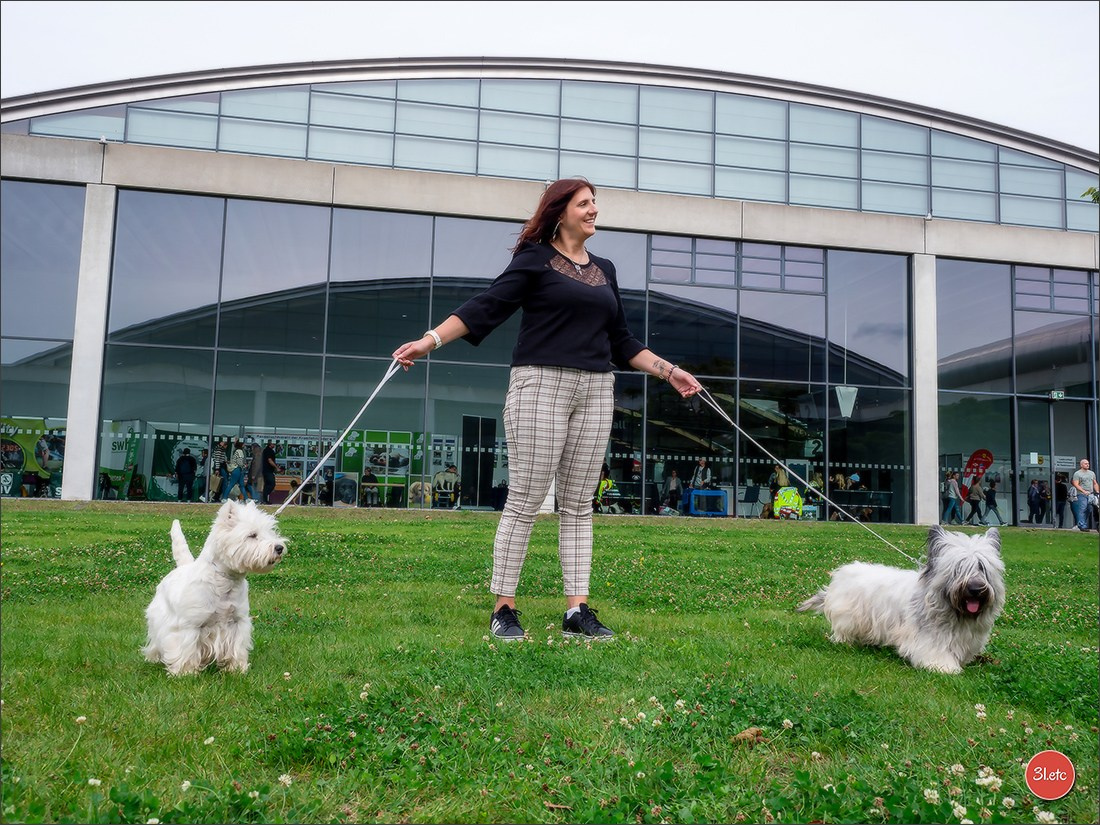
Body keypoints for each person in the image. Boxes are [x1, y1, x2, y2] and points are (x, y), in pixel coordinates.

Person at [392, 177, 702, 643]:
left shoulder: (606, 269)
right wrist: (428, 341)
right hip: (540, 385)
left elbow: (621, 340)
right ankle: (504, 609)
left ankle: (577, 610)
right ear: (561, 212)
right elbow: (486, 307)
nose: (594, 210)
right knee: (526, 499)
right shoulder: (535, 259)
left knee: (578, 505)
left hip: (597, 390)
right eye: (585, 203)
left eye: (595, 202)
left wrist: (668, 370)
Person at [1070, 458, 1098, 532]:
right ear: (1081, 465)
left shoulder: (1092, 473)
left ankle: (1081, 523)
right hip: (1081, 494)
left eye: (1088, 463)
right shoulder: (1077, 473)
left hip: (1091, 494)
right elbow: (1076, 484)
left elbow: (1095, 483)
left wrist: (1097, 492)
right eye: (1086, 463)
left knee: (1089, 509)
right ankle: (1082, 525)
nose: (1087, 465)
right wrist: (1083, 491)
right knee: (1082, 509)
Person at [210, 438, 229, 503]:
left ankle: (216, 497)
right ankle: (223, 497)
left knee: (219, 483)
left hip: (220, 467)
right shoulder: (219, 449)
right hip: (220, 467)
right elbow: (217, 459)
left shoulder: (219, 449)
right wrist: (217, 469)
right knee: (223, 482)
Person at [261, 440, 279, 505]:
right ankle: (264, 498)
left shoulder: (265, 450)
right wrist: (276, 467)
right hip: (268, 471)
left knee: (267, 485)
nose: (274, 445)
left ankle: (265, 500)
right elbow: (270, 460)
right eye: (273, 444)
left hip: (266, 470)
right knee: (272, 484)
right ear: (270, 444)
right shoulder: (269, 451)